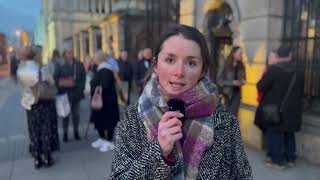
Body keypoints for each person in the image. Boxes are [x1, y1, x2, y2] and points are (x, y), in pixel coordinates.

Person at [110, 24, 252, 179]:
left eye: (191, 63)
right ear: (156, 65)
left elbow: (243, 176)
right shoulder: (132, 117)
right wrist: (159, 151)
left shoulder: (225, 122)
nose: (179, 72)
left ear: (202, 70)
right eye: (170, 60)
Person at [256, 45, 304, 169]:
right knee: (289, 133)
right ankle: (290, 158)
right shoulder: (299, 71)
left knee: (275, 133)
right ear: (290, 55)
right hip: (293, 110)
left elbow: (261, 86)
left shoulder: (273, 70)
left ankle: (277, 161)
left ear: (278, 56)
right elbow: (301, 91)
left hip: (275, 110)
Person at [17, 46, 56, 169]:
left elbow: (22, 86)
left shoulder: (20, 70)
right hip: (43, 102)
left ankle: (37, 159)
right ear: (34, 55)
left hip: (29, 103)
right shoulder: (41, 69)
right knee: (45, 129)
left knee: (33, 131)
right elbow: (52, 82)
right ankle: (47, 157)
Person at [54, 48, 86, 142]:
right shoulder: (60, 64)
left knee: (76, 114)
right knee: (65, 115)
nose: (70, 54)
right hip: (65, 93)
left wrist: (80, 87)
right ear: (64, 54)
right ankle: (65, 134)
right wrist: (61, 86)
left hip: (76, 93)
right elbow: (55, 77)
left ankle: (76, 133)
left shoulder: (79, 64)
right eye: (68, 52)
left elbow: (83, 76)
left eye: (71, 52)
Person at [90, 51, 120, 152]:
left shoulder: (106, 69)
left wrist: (95, 86)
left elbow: (104, 85)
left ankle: (108, 141)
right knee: (100, 120)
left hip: (107, 101)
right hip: (102, 100)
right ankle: (102, 139)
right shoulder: (100, 69)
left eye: (94, 58)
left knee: (108, 121)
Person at [217, 46, 246, 116]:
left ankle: (230, 126)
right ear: (234, 53)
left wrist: (243, 81)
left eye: (241, 53)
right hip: (227, 93)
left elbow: (244, 78)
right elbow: (219, 80)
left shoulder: (241, 66)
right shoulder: (225, 64)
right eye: (239, 53)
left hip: (237, 94)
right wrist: (232, 83)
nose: (241, 55)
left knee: (233, 115)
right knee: (227, 114)